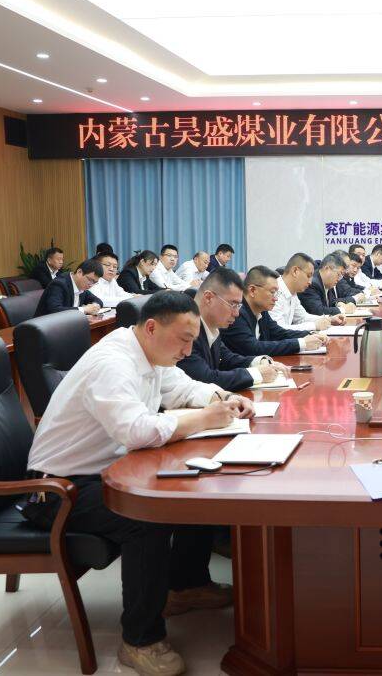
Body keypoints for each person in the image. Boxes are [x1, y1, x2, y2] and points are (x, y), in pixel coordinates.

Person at [23, 290, 254, 676]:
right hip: (57, 489)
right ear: (151, 328)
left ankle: (184, 587)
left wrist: (224, 398)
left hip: (109, 469)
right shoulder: (113, 363)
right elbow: (135, 430)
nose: (187, 350)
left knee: (195, 482)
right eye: (183, 340)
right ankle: (140, 640)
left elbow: (184, 388)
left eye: (192, 341)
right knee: (146, 516)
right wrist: (202, 419)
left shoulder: (152, 352)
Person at [176, 268, 289, 391]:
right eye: (233, 304)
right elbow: (205, 379)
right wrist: (257, 374)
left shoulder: (211, 326)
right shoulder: (184, 330)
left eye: (238, 306)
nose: (236, 313)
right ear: (208, 298)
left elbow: (227, 358)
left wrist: (259, 362)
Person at [222, 265, 327, 357]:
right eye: (272, 292)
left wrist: (309, 334)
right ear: (252, 290)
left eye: (277, 293)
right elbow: (253, 348)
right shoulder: (237, 313)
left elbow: (278, 333)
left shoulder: (262, 310)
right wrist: (302, 343)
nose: (276, 298)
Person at [274, 253, 342, 331]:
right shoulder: (275, 290)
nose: (310, 282)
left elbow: (302, 317)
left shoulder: (293, 292)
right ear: (295, 271)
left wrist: (329, 319)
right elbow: (279, 329)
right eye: (308, 276)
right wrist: (314, 326)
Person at [34, 259, 104, 316]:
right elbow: (54, 310)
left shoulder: (82, 287)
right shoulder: (59, 284)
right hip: (46, 326)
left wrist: (94, 306)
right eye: (90, 280)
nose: (91, 285)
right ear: (79, 272)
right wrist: (84, 309)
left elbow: (98, 301)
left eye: (95, 282)